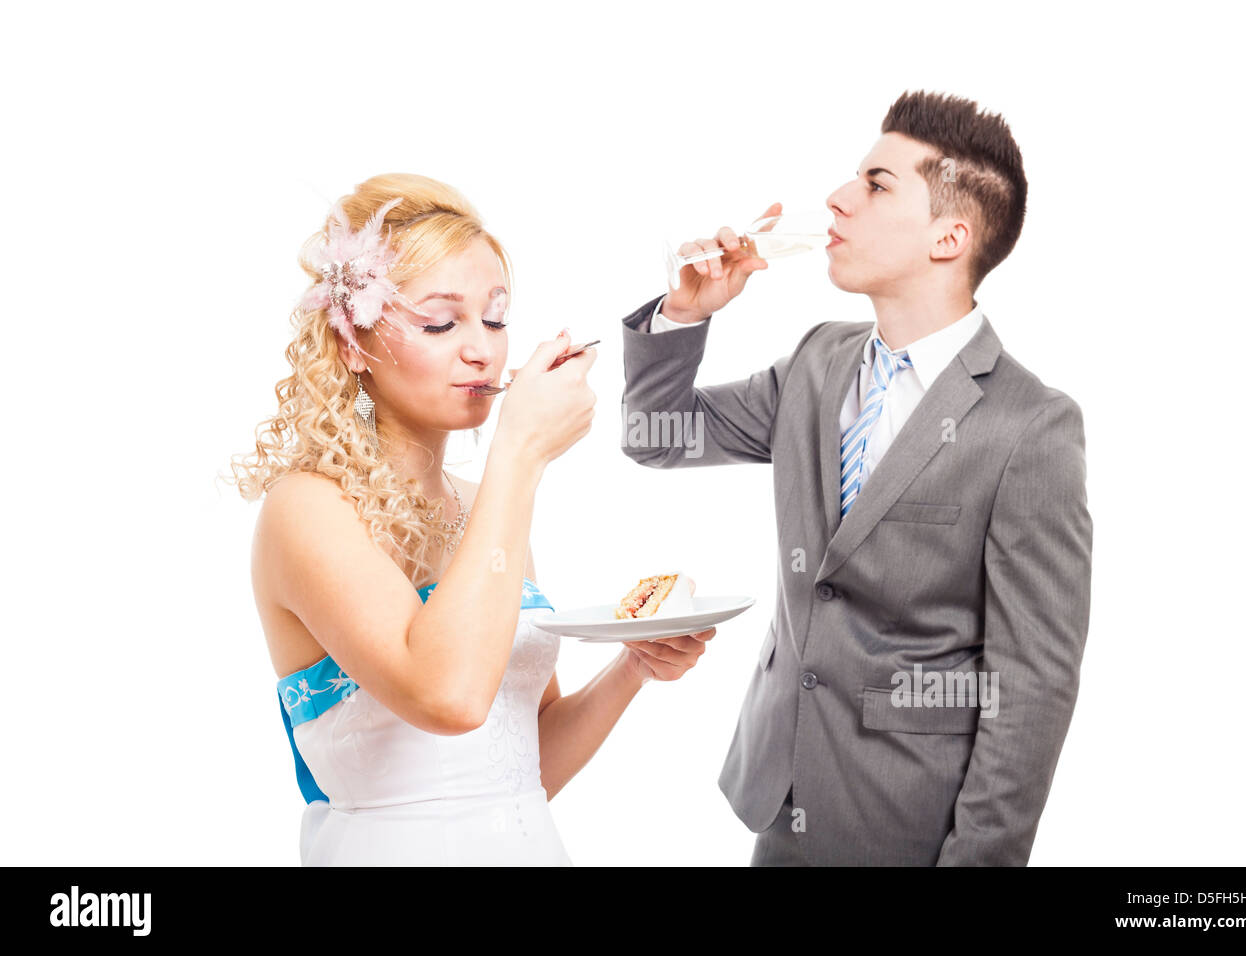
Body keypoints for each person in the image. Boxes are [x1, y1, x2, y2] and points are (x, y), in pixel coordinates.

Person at [619, 90, 1093, 865]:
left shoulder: (1030, 427)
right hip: (780, 798)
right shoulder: (817, 361)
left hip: (910, 823)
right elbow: (654, 438)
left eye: (876, 185)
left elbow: (1032, 687)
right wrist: (685, 313)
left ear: (950, 235)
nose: (839, 198)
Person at [228, 173, 714, 865]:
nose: (482, 349)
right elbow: (448, 698)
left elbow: (523, 761)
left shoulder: (478, 506)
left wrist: (632, 667)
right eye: (439, 321)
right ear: (352, 344)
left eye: (494, 317)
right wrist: (518, 455)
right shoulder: (307, 508)